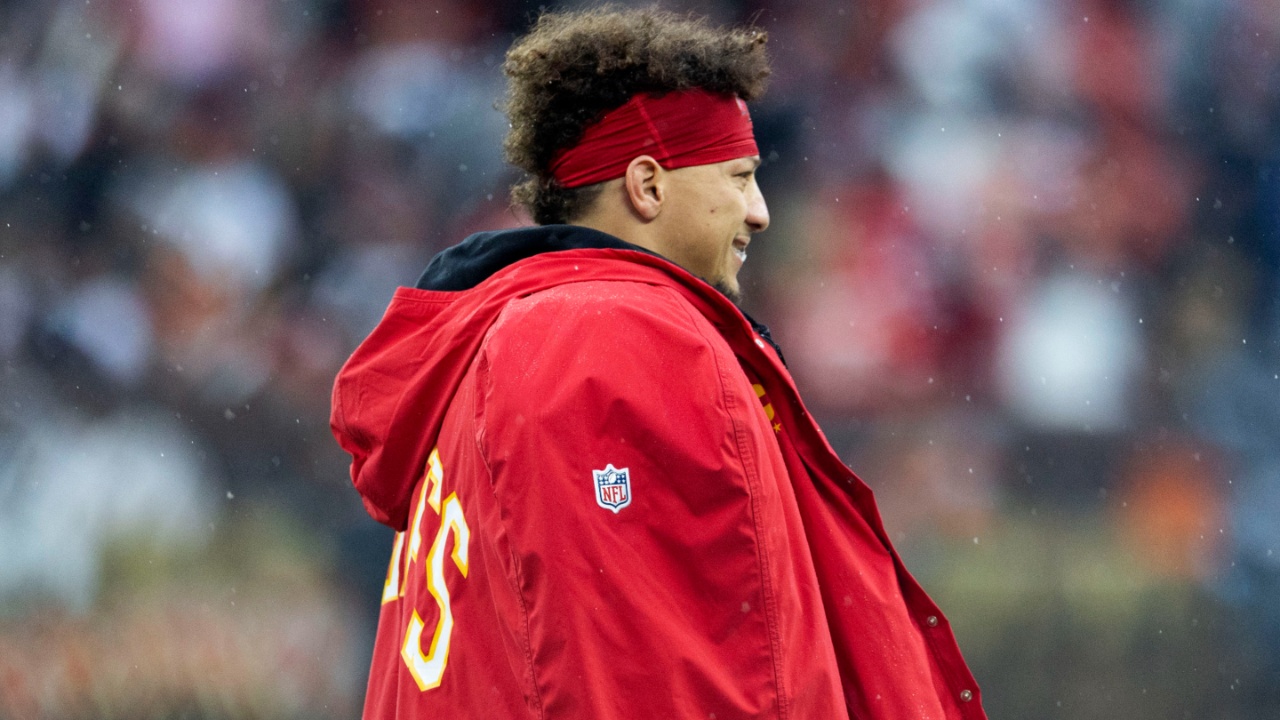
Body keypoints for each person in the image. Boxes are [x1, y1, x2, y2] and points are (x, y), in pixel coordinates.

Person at [330, 7, 986, 719]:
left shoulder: (510, 335)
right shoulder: (609, 330)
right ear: (647, 186)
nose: (759, 211)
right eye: (738, 177)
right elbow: (632, 672)